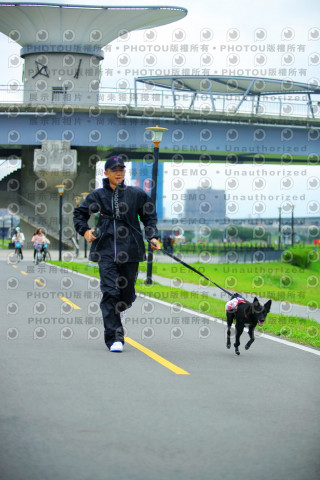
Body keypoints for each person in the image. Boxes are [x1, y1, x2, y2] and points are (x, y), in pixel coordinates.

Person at [73, 155, 160, 353]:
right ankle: (115, 338)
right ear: (106, 173)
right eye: (114, 170)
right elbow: (79, 214)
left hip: (131, 250)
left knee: (125, 295)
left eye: (121, 169)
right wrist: (85, 231)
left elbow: (149, 216)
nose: (119, 173)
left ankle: (125, 301)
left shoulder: (136, 194)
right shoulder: (97, 196)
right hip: (105, 251)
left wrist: (152, 236)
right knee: (110, 292)